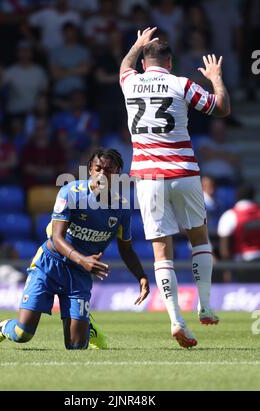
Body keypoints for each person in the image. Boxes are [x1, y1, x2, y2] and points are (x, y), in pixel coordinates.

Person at [120, 27, 230, 348]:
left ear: (143, 64)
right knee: (199, 237)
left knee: (160, 251)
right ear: (169, 62)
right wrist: (215, 77)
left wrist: (137, 44)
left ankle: (175, 319)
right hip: (183, 172)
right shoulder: (181, 84)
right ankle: (206, 304)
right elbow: (220, 108)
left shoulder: (131, 82)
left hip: (148, 177)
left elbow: (123, 68)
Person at [0, 148, 150, 351]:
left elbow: (126, 249)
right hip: (49, 264)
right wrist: (83, 259)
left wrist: (141, 276)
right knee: (23, 334)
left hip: (79, 274)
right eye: (98, 169)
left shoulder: (121, 208)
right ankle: (4, 328)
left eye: (109, 171)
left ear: (119, 174)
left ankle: (87, 327)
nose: (103, 174)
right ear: (90, 170)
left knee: (76, 347)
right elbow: (57, 238)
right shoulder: (71, 193)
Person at [217, 185, 260, 282]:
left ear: (237, 196)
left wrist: (227, 270)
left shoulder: (229, 215)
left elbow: (224, 250)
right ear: (253, 196)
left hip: (242, 265)